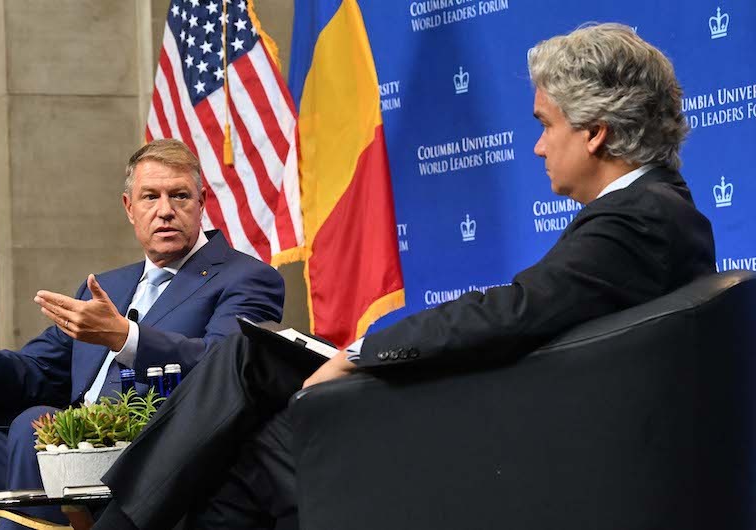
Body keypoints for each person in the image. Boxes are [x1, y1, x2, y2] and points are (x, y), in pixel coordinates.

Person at [93, 23, 716, 530]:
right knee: (248, 368)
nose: (538, 147)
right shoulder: (656, 212)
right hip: (513, 416)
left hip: (493, 437)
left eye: (545, 125)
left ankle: (115, 518)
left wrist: (364, 353)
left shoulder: (641, 219)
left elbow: (514, 311)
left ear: (597, 133)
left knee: (244, 412)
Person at [0, 139, 286, 530]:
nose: (165, 210)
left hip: (146, 460)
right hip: (51, 457)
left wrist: (125, 337)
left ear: (201, 203)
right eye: (150, 196)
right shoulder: (107, 286)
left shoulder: (246, 278)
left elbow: (227, 365)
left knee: (37, 425)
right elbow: (38, 372)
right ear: (128, 207)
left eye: (179, 195)